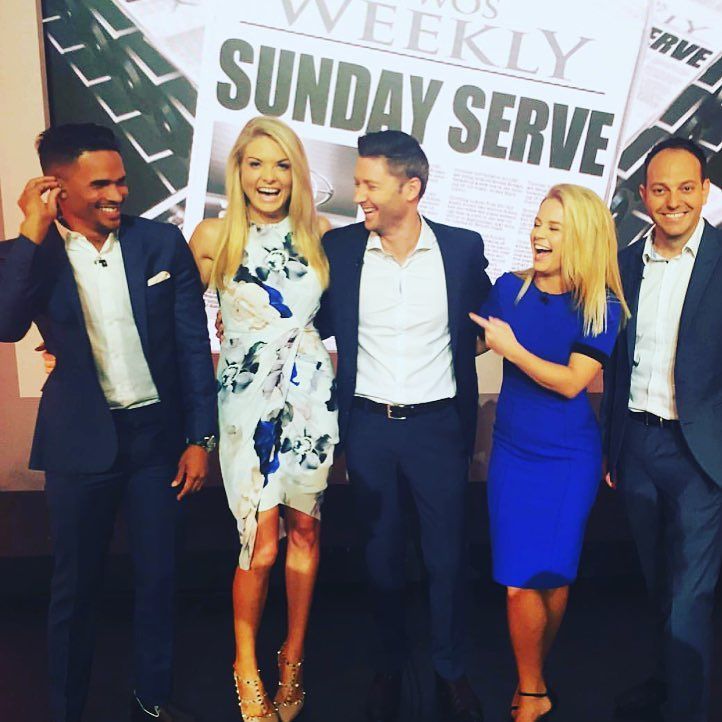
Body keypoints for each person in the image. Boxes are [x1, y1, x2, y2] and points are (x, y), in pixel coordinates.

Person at [0, 123, 217, 722]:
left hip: (157, 443)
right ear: (56, 186)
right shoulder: (29, 254)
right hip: (79, 444)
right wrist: (30, 232)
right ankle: (67, 708)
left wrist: (200, 438)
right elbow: (6, 324)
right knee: (74, 589)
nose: (117, 194)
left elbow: (192, 347)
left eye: (121, 181)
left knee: (159, 579)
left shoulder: (160, 243)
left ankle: (152, 698)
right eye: (100, 184)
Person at [317, 130, 491, 722]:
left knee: (446, 560)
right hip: (369, 428)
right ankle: (388, 667)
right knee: (380, 558)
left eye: (369, 184)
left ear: (410, 188)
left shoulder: (462, 249)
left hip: (438, 429)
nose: (358, 195)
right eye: (357, 183)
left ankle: (450, 671)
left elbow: (488, 319)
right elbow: (308, 320)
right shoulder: (340, 248)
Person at [189, 117, 337, 722]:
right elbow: (171, 321)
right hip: (245, 405)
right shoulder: (212, 236)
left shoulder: (321, 234)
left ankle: (292, 656)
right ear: (238, 171)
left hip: (310, 398)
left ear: (296, 173)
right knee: (261, 542)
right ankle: (245, 665)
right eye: (255, 164)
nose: (268, 177)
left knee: (306, 532)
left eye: (281, 165)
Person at [470, 184, 628, 722]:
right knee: (519, 582)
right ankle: (534, 689)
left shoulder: (602, 305)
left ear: (580, 237)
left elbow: (571, 382)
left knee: (552, 577)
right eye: (538, 222)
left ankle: (532, 681)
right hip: (513, 453)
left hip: (567, 460)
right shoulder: (507, 289)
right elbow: (469, 342)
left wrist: (512, 349)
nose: (538, 233)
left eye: (553, 227)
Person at [602, 137, 722, 722]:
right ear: (644, 195)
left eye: (686, 188)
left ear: (705, 190)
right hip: (638, 445)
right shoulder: (624, 263)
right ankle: (667, 681)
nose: (674, 201)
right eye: (661, 189)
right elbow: (616, 363)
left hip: (703, 454)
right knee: (655, 581)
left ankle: (687, 709)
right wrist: (614, 448)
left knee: (689, 592)